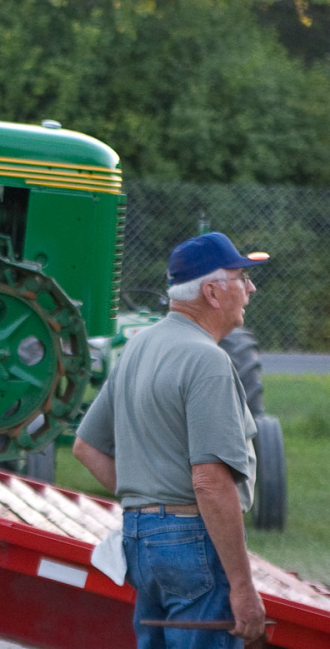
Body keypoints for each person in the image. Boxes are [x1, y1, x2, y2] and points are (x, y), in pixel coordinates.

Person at [73, 232, 270, 649]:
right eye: (241, 278)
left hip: (139, 538)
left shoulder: (138, 347)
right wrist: (242, 588)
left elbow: (86, 447)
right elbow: (211, 482)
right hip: (192, 541)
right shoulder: (208, 360)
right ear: (212, 292)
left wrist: (149, 503)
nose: (250, 288)